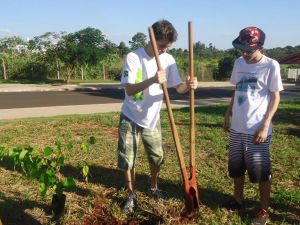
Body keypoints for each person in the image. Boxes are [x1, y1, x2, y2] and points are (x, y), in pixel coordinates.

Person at [117, 19, 198, 213]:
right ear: (152, 38)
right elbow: (129, 89)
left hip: (152, 118)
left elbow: (178, 88)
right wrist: (153, 79)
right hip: (131, 116)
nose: (164, 50)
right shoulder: (134, 57)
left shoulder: (168, 60)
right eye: (161, 46)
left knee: (156, 157)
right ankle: (131, 194)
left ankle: (153, 186)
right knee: (128, 158)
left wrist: (188, 85)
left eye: (168, 47)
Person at [222, 27, 283, 225]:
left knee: (261, 171)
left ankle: (263, 209)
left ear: (261, 47)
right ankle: (238, 199)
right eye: (241, 49)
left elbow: (275, 96)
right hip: (237, 127)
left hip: (257, 128)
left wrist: (265, 125)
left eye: (248, 50)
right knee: (236, 167)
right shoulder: (239, 62)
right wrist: (228, 112)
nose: (244, 54)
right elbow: (237, 90)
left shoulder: (271, 66)